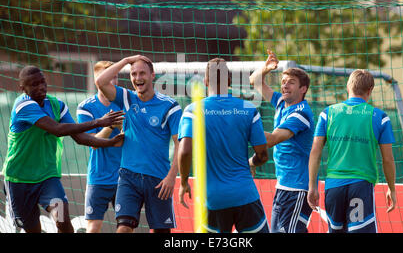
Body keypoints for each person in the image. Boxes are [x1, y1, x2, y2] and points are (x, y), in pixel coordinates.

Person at [2, 65, 125, 233]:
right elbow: (57, 129)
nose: (41, 87)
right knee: (33, 230)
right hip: (19, 180)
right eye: (34, 84)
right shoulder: (23, 105)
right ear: (22, 88)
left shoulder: (56, 105)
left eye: (43, 82)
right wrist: (99, 122)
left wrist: (110, 142)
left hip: (47, 178)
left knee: (63, 222)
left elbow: (80, 138)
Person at [178, 58, 269, 233]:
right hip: (245, 195)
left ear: (205, 81)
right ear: (228, 81)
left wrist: (183, 182)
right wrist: (252, 163)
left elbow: (185, 151)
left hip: (212, 198)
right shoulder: (248, 108)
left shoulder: (192, 110)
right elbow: (263, 155)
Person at [95, 54, 182, 233]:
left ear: (152, 76)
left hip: (159, 179)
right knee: (123, 229)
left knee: (161, 232)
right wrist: (126, 61)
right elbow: (101, 82)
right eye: (133, 74)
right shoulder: (126, 98)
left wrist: (172, 177)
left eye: (142, 73)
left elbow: (180, 144)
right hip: (129, 177)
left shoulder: (170, 106)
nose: (137, 78)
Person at [307, 69, 396, 233]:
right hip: (361, 185)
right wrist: (392, 188)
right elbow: (388, 159)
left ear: (348, 86)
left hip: (333, 185)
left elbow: (315, 152)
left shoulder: (327, 113)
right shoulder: (380, 117)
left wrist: (312, 186)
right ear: (370, 91)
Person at [249, 49, 314, 233]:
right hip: (284, 185)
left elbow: (271, 140)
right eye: (283, 82)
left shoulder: (301, 113)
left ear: (303, 89)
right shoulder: (280, 102)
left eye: (291, 83)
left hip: (297, 188)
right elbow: (255, 80)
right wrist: (266, 68)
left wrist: (240, 123)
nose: (285, 86)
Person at [77, 61, 124, 233]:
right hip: (99, 177)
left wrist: (122, 128)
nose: (114, 82)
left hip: (124, 178)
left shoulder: (124, 102)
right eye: (110, 77)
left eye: (116, 77)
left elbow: (130, 138)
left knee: (125, 226)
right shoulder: (86, 107)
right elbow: (93, 144)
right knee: (93, 228)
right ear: (99, 79)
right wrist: (110, 125)